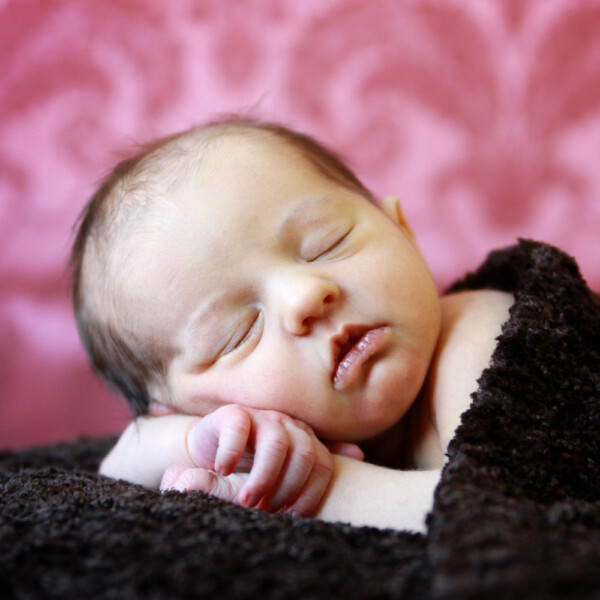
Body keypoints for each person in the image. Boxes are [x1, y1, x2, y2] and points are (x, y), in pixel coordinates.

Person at [71, 117, 513, 531]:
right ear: (186, 407)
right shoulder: (233, 432)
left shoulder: (487, 333)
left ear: (402, 229)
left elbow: (498, 510)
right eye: (237, 333)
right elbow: (115, 472)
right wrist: (199, 442)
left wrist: (321, 488)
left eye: (327, 243)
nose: (304, 296)